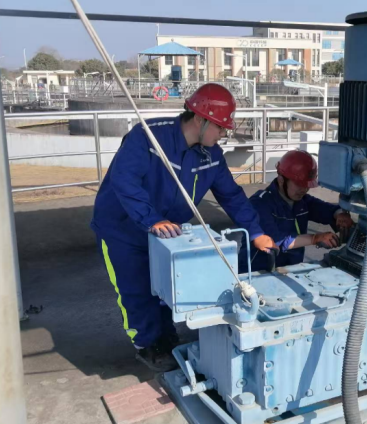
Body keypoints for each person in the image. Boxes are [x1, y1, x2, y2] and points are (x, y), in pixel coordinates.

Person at [91, 84, 277, 372]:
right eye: (220, 127)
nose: (223, 134)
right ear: (200, 120)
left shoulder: (210, 154)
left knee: (167, 286)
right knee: (135, 290)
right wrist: (151, 219)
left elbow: (231, 195)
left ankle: (166, 336)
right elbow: (124, 180)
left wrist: (255, 231)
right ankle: (147, 345)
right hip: (123, 229)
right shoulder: (148, 137)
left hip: (169, 233)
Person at [239, 150, 354, 273]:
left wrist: (340, 214)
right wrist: (315, 238)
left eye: (307, 185)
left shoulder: (302, 201)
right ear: (281, 179)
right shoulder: (260, 203)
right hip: (255, 274)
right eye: (299, 185)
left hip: (288, 271)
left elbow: (326, 209)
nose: (304, 190)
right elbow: (277, 240)